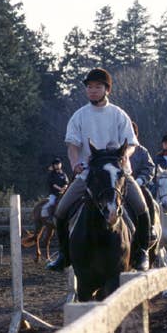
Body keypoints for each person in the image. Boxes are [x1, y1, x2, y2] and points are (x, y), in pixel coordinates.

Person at [46, 68, 152, 272]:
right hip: (90, 174)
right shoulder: (79, 116)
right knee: (60, 210)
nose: (93, 91)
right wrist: (75, 163)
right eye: (89, 87)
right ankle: (64, 254)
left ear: (107, 90)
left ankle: (142, 252)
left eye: (97, 87)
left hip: (117, 172)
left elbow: (131, 144)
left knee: (142, 208)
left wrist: (124, 157)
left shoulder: (119, 114)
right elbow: (73, 145)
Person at [129, 121, 157, 242]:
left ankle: (150, 228)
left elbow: (150, 168)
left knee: (148, 198)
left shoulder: (142, 151)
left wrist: (141, 180)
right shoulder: (115, 149)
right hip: (119, 184)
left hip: (137, 184)